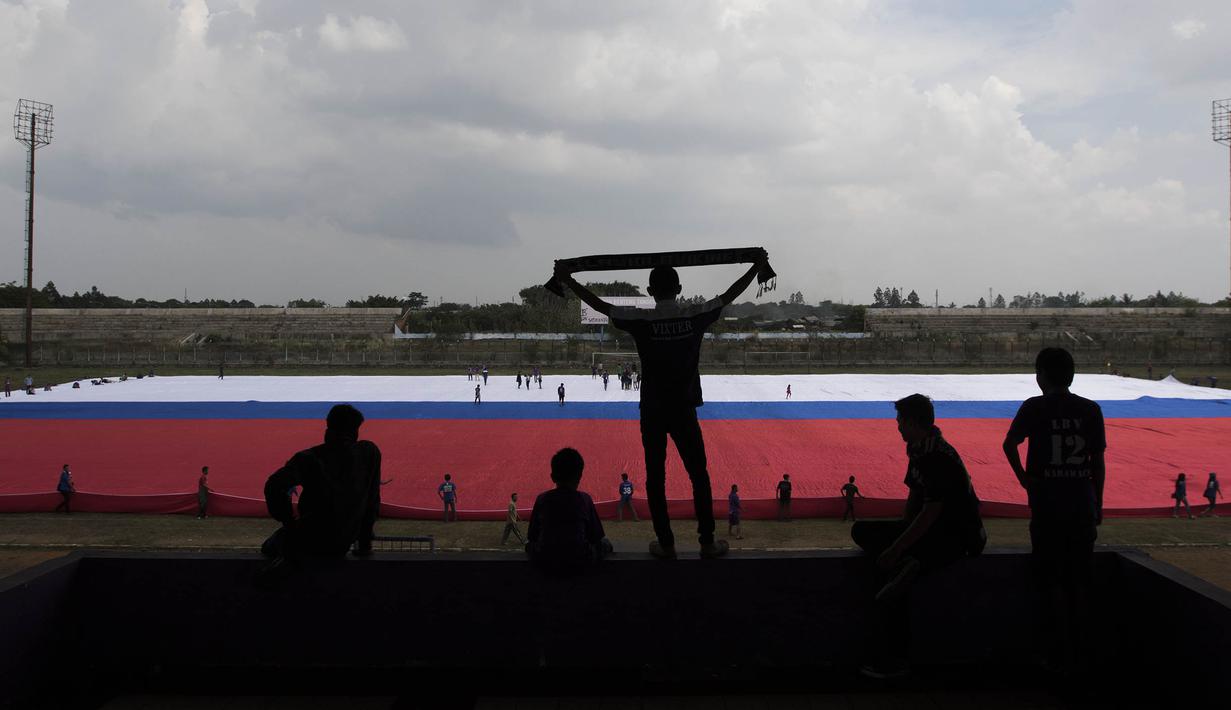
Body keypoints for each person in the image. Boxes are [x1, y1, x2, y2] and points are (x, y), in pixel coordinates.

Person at [556, 253, 766, 559]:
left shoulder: (641, 321)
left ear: (651, 292)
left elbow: (602, 306)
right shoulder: (695, 316)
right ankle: (707, 542)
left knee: (656, 478)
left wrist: (570, 280)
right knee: (699, 476)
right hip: (684, 409)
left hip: (653, 410)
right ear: (679, 288)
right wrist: (756, 267)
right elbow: (728, 295)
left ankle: (665, 544)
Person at [1003, 347, 1106, 677]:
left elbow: (1009, 444)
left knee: (1048, 585)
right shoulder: (1090, 410)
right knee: (1081, 585)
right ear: (1072, 375)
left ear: (1040, 376)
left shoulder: (1035, 407)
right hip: (1081, 508)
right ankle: (1082, 657)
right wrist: (1097, 502)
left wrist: (1024, 480)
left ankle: (1052, 656)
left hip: (1047, 509)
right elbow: (1098, 464)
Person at [260, 404, 382, 560]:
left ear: (328, 429)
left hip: (309, 537)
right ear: (354, 431)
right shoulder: (368, 453)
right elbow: (372, 500)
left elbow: (274, 485)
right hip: (343, 540)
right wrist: (365, 543)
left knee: (270, 550)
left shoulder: (309, 458)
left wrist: (288, 521)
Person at [526, 448, 612, 571]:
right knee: (604, 544)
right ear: (579, 476)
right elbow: (595, 537)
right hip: (580, 562)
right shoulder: (584, 499)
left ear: (553, 477)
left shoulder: (542, 499)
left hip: (546, 563)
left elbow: (532, 537)